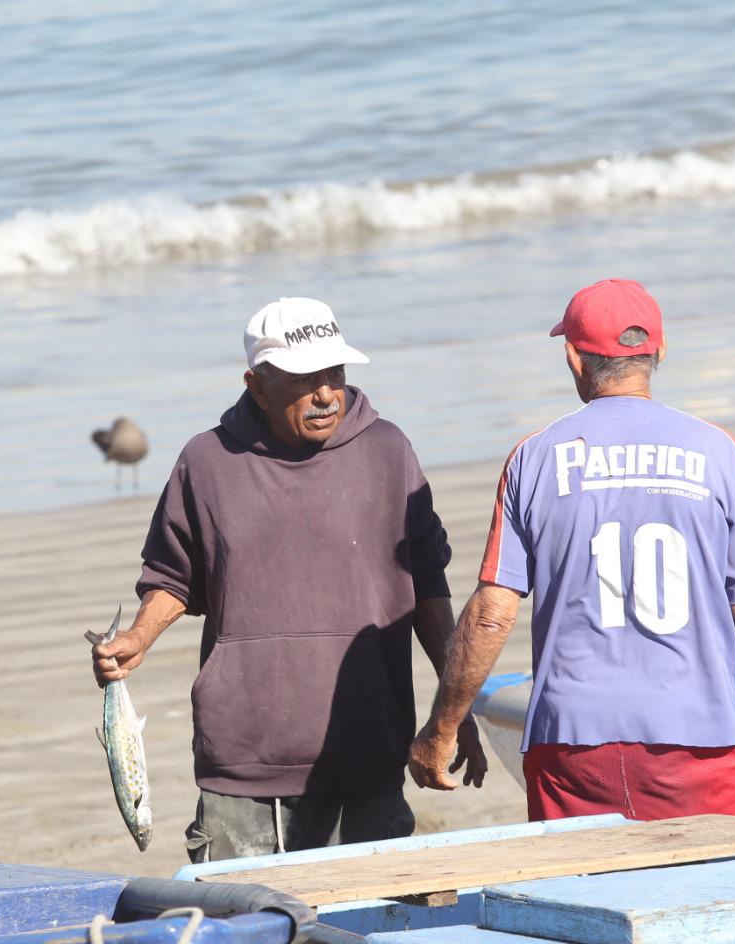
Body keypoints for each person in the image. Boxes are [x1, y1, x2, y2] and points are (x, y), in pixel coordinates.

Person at [93, 296, 487, 861]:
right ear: (257, 385)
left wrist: (457, 709)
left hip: (367, 753)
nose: (327, 393)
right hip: (243, 763)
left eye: (336, 374)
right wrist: (137, 638)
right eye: (306, 379)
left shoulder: (387, 452)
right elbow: (174, 578)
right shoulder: (206, 463)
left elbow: (429, 591)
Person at [409, 279, 735, 821]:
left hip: (571, 748)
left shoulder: (534, 457)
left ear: (572, 357)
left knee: (583, 899)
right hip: (699, 738)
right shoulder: (719, 451)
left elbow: (493, 616)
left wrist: (443, 727)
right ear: (659, 352)